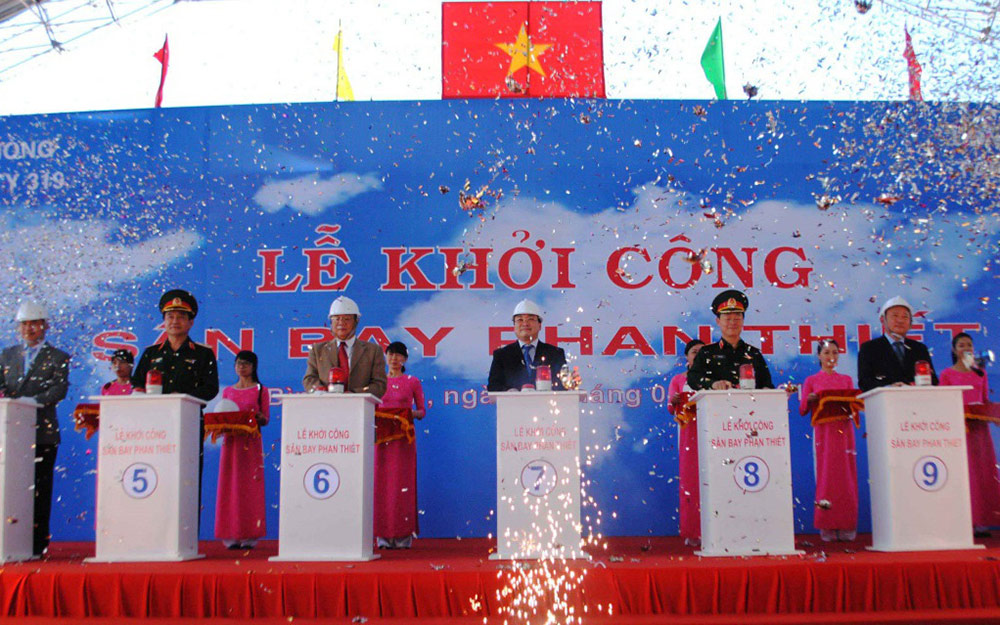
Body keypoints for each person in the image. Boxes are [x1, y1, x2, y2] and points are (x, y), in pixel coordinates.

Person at [131, 289, 219, 525]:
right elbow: (137, 383)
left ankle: (187, 531)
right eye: (170, 316)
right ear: (163, 321)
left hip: (188, 423)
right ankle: (153, 527)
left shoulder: (203, 354)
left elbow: (210, 388)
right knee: (156, 474)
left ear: (191, 322)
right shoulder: (151, 353)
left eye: (181, 317)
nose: (175, 321)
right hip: (154, 427)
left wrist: (182, 398)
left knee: (187, 477)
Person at [0, 301, 70, 556]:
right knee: (8, 488)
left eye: (34, 324)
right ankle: (8, 541)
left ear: (45, 326)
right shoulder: (7, 355)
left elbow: (59, 390)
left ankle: (37, 544)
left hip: (43, 433)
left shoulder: (58, 357)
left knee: (40, 489)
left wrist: (32, 402)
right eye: (24, 324)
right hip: (9, 435)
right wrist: (10, 400)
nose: (29, 329)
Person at [939, 332, 1000, 536]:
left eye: (969, 345)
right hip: (958, 430)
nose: (966, 348)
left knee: (982, 472)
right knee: (962, 473)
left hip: (980, 431)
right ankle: (962, 521)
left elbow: (984, 400)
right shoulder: (947, 374)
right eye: (961, 345)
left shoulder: (980, 373)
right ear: (954, 350)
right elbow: (943, 401)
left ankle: (982, 521)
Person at [799, 339, 859, 542]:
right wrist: (810, 399)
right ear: (819, 356)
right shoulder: (811, 380)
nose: (830, 356)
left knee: (847, 477)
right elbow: (802, 408)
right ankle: (827, 525)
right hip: (823, 433)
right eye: (826, 353)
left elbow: (853, 403)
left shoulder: (846, 380)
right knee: (826, 476)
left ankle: (847, 524)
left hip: (844, 433)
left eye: (834, 352)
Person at [374, 341, 426, 549]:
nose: (394, 359)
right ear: (385, 357)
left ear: (405, 359)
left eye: (398, 355)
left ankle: (404, 536)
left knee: (403, 484)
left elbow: (422, 411)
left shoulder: (412, 382)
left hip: (404, 441)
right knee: (381, 484)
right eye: (390, 354)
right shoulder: (377, 381)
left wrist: (406, 414)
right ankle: (382, 536)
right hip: (381, 440)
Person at [215, 350, 269, 549]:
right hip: (231, 443)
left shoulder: (261, 390)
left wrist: (256, 418)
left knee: (250, 486)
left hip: (251, 443)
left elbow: (265, 419)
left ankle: (250, 534)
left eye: (246, 364)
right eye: (238, 363)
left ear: (254, 367)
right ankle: (229, 534)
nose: (241, 367)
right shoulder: (228, 391)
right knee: (229, 485)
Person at [687, 290, 774, 390]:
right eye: (728, 319)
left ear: (743, 321)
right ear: (718, 321)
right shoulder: (707, 352)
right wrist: (712, 384)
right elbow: (693, 378)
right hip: (717, 400)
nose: (732, 323)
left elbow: (767, 383)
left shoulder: (753, 353)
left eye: (737, 319)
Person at [303, 295, 387, 398]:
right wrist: (323, 392)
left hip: (359, 406)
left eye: (347, 319)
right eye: (337, 319)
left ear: (356, 322)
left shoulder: (373, 351)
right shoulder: (318, 350)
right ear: (331, 322)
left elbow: (379, 385)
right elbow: (309, 379)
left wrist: (354, 395)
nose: (341, 323)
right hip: (325, 404)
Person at [857, 296, 938, 391]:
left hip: (916, 397)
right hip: (885, 398)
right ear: (883, 320)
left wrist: (911, 386)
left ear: (910, 323)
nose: (900, 320)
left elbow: (933, 380)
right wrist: (889, 388)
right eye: (895, 316)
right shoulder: (869, 348)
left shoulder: (919, 348)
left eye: (905, 317)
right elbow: (865, 382)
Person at [667, 338, 704, 546]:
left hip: (714, 433)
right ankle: (693, 531)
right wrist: (674, 401)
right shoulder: (678, 379)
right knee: (691, 481)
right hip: (689, 433)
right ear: (687, 357)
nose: (698, 355)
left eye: (702, 352)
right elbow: (671, 408)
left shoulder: (717, 378)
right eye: (694, 352)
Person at [488, 299, 567, 392]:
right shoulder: (501, 355)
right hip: (513, 402)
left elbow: (562, 387)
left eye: (531, 319)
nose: (525, 323)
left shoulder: (555, 354)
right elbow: (493, 388)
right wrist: (510, 392)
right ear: (514, 326)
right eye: (520, 320)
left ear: (540, 325)